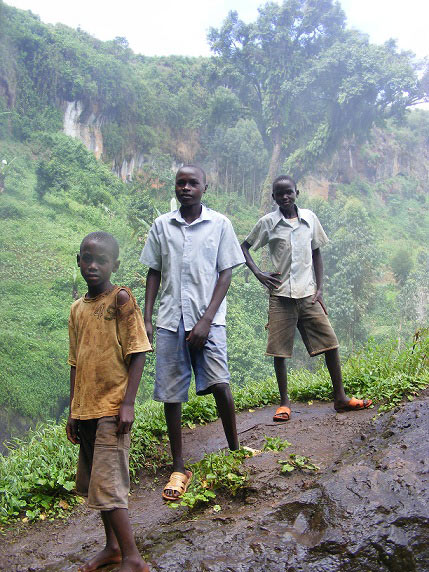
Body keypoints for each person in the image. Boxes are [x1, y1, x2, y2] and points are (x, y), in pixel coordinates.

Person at [140, 165, 245, 501]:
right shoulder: (162, 225)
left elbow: (225, 273)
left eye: (192, 183)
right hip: (170, 320)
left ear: (205, 187)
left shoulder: (220, 224)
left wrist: (205, 320)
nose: (185, 188)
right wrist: (146, 317)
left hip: (208, 320)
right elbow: (154, 272)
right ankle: (179, 464)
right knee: (171, 395)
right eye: (180, 183)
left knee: (220, 384)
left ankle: (235, 451)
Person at [241, 175, 372, 422]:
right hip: (281, 296)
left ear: (296, 192)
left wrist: (320, 289)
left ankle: (340, 398)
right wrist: (259, 273)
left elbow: (316, 253)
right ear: (274, 197)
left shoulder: (310, 219)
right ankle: (284, 404)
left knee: (330, 343)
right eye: (279, 194)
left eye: (288, 192)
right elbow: (244, 247)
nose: (285, 197)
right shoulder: (268, 223)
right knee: (279, 352)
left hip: (308, 294)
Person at [66, 231, 151, 572]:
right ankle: (113, 548)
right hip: (86, 409)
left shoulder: (121, 299)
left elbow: (139, 352)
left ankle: (134, 559)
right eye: (87, 258)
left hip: (112, 409)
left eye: (101, 260)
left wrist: (128, 403)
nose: (93, 265)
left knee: (110, 485)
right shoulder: (76, 309)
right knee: (98, 486)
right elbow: (75, 362)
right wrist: (73, 410)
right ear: (78, 261)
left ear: (114, 264)